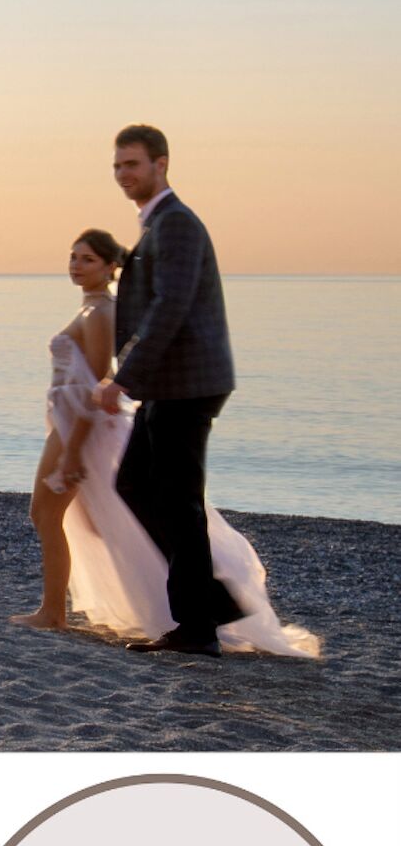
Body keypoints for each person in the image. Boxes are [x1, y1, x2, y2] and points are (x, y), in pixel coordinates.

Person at [68, 125, 318, 657]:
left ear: (161, 164)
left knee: (176, 500)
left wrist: (123, 378)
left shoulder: (176, 223)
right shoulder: (158, 223)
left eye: (132, 164)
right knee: (136, 484)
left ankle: (198, 627)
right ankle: (212, 604)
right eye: (117, 166)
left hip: (187, 385)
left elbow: (171, 307)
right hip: (169, 385)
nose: (123, 175)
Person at [11, 230, 124, 630]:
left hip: (76, 426)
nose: (76, 265)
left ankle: (53, 613)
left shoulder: (100, 314)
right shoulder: (91, 309)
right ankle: (54, 609)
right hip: (66, 421)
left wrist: (74, 448)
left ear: (111, 267)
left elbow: (97, 385)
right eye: (73, 257)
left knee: (44, 513)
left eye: (88, 259)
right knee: (51, 515)